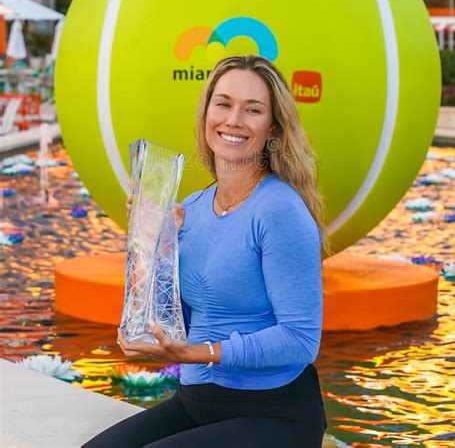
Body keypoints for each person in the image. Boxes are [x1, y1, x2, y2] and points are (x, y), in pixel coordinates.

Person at [82, 55, 329, 448]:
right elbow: (179, 314)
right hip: (197, 400)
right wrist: (153, 244)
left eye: (253, 110)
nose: (233, 120)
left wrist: (201, 352)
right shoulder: (193, 207)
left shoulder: (279, 210)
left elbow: (301, 339)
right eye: (224, 103)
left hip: (274, 411)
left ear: (272, 129)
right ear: (207, 112)